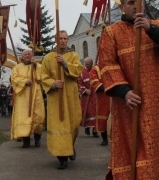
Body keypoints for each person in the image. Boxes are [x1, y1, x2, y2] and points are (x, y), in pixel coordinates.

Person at [98, 0, 159, 179]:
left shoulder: (156, 25)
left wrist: (150, 29)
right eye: (130, 3)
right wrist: (125, 91)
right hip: (126, 102)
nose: (135, 6)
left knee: (151, 148)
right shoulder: (111, 33)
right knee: (127, 146)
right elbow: (107, 65)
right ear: (122, 7)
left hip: (154, 101)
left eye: (139, 2)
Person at [41, 30, 83, 170]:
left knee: (74, 124)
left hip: (70, 96)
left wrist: (65, 64)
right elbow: (43, 76)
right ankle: (62, 158)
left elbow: (78, 71)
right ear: (56, 40)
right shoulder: (48, 58)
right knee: (60, 126)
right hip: (56, 98)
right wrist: (52, 83)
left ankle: (70, 146)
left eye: (65, 38)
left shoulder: (74, 55)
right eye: (60, 38)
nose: (63, 41)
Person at [10, 49, 45, 148]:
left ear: (32, 55)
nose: (27, 56)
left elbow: (40, 78)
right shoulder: (17, 67)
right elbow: (14, 79)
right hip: (23, 96)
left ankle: (37, 138)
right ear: (22, 56)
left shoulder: (37, 66)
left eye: (29, 54)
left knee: (38, 116)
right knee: (24, 117)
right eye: (25, 54)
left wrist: (35, 66)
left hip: (35, 94)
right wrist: (25, 81)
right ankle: (26, 140)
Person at [89, 63, 111, 146]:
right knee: (103, 118)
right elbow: (94, 82)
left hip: (116, 96)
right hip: (103, 98)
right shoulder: (96, 69)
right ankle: (104, 138)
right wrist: (108, 87)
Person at [78, 57, 98, 137]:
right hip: (86, 96)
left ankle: (95, 130)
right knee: (88, 112)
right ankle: (87, 127)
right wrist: (85, 90)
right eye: (86, 64)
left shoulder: (95, 71)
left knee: (95, 112)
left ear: (91, 64)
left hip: (94, 95)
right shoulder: (82, 72)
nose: (87, 65)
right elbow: (79, 83)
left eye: (88, 64)